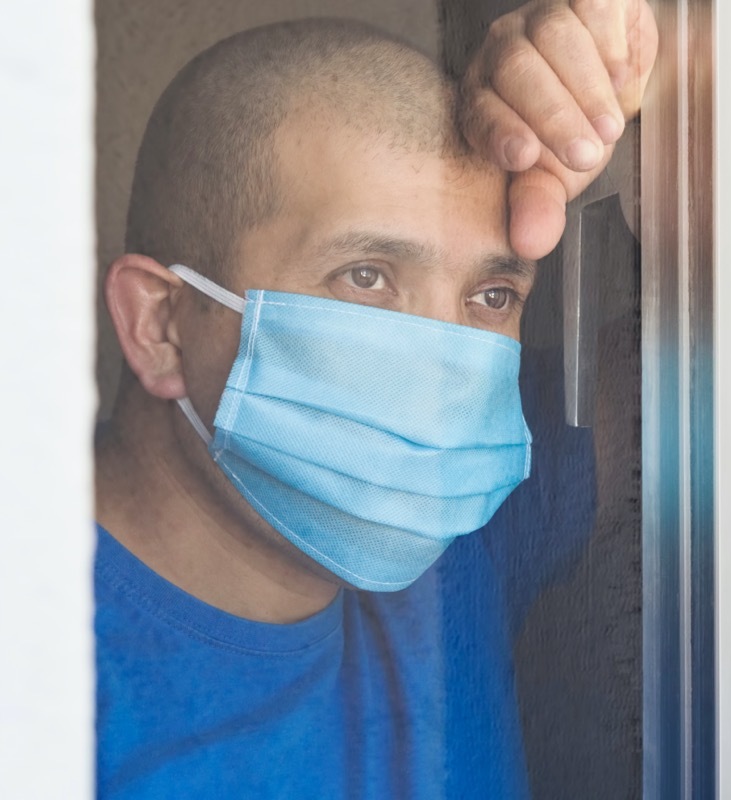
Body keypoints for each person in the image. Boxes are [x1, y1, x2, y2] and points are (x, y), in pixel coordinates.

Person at [93, 3, 656, 797]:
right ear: (159, 323)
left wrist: (650, 86)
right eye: (367, 277)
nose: (441, 380)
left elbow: (679, 372)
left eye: (492, 293)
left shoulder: (456, 529)